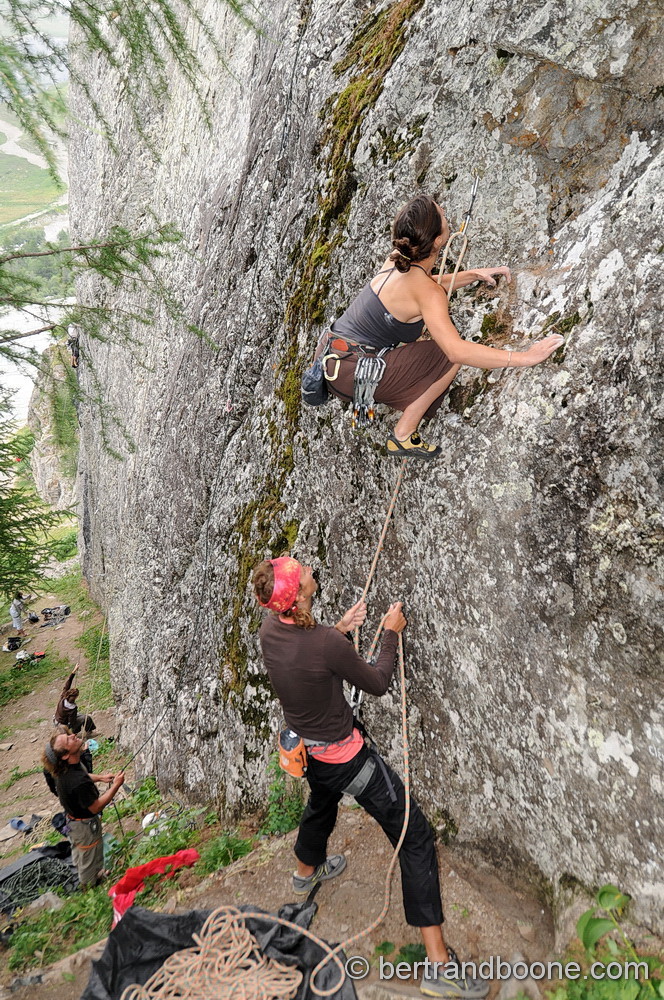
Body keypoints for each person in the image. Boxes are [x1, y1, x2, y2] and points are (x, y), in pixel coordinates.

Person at [253, 555, 489, 999]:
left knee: (321, 800)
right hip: (348, 759)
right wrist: (390, 633)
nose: (310, 573)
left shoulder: (272, 630)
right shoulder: (323, 642)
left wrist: (340, 629)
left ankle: (306, 873)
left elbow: (310, 658)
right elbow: (378, 682)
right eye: (304, 574)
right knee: (414, 836)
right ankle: (439, 966)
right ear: (300, 594)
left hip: (309, 753)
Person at [323, 194, 564, 459]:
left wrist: (471, 275)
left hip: (333, 360)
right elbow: (455, 351)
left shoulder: (396, 259)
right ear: (438, 240)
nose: (447, 214)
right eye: (443, 215)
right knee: (444, 356)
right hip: (353, 372)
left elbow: (421, 287)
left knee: (439, 351)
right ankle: (404, 435)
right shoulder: (427, 292)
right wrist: (525, 358)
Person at [42, 730, 124, 887]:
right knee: (89, 853)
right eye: (68, 739)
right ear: (65, 755)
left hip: (73, 821)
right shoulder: (77, 782)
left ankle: (92, 873)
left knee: (81, 851)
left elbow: (83, 774)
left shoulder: (66, 767)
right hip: (84, 827)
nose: (73, 735)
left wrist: (100, 777)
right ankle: (89, 887)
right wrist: (116, 786)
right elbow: (96, 807)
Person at [54, 663, 96, 734]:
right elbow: (72, 722)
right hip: (64, 725)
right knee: (86, 718)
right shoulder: (72, 708)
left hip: (57, 720)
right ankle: (86, 732)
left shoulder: (63, 696)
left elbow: (68, 683)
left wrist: (74, 671)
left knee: (80, 715)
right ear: (75, 697)